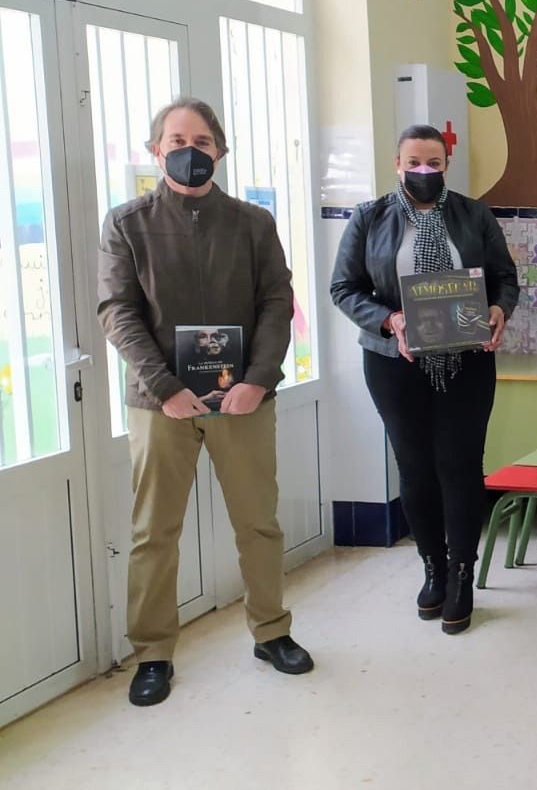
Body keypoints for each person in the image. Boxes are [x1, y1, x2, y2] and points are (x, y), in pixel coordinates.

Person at [98, 97, 312, 707]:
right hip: (159, 404)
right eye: (175, 139)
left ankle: (271, 631)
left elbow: (277, 302)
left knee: (258, 522)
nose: (188, 149)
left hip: (242, 399)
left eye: (201, 139)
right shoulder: (126, 223)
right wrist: (165, 387)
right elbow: (118, 312)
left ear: (220, 149)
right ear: (155, 149)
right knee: (153, 531)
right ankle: (154, 653)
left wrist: (259, 379)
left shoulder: (252, 223)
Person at [329, 124, 518, 635]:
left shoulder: (473, 214)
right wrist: (389, 320)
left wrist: (500, 309)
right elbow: (343, 288)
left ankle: (462, 572)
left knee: (460, 465)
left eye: (433, 162)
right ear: (396, 164)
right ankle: (432, 568)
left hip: (467, 359)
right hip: (394, 362)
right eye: (414, 162)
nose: (424, 171)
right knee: (414, 467)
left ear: (446, 165)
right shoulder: (369, 218)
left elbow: (504, 276)